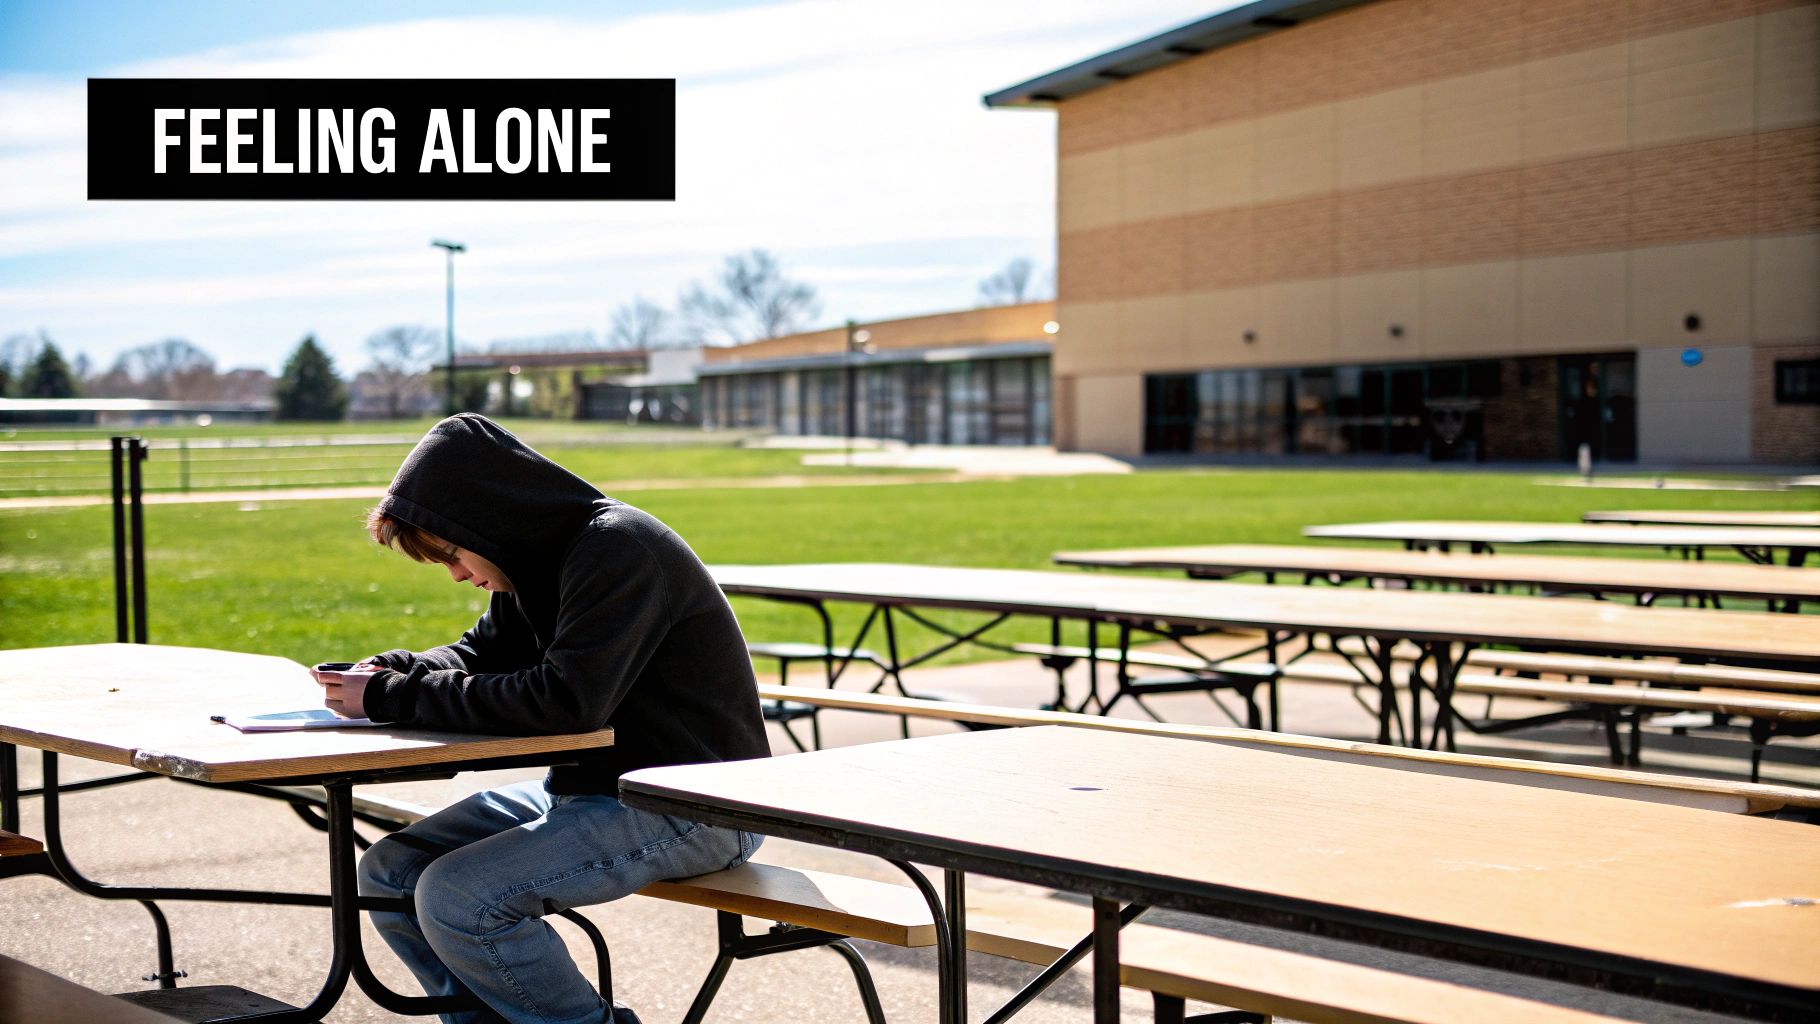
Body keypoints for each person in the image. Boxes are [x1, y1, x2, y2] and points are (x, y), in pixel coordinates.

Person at [312, 413, 768, 1024]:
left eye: (451, 552)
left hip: (694, 803)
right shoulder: (527, 565)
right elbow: (477, 656)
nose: (456, 575)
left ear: (486, 519)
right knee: (390, 873)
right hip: (590, 791)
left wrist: (396, 696)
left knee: (459, 898)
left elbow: (564, 703)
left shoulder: (617, 550)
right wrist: (392, 670)